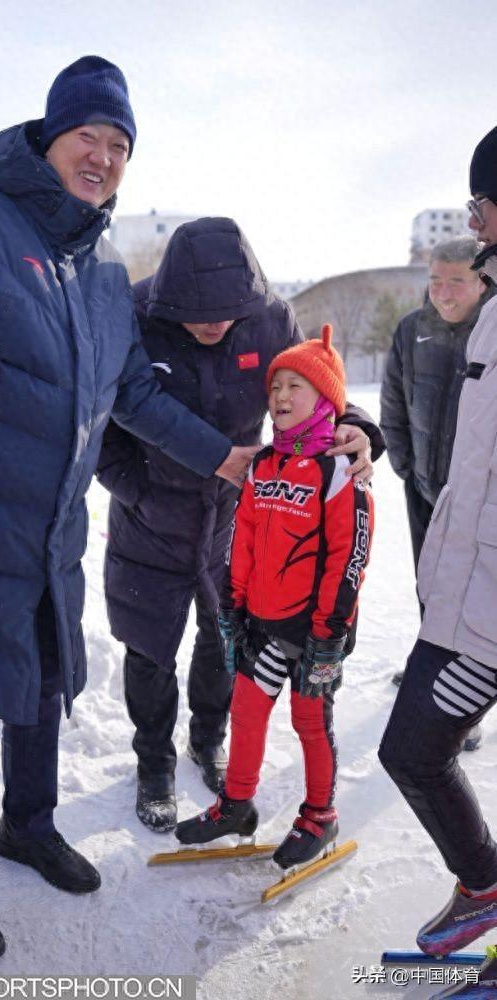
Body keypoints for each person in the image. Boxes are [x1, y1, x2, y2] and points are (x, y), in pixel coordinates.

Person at [0, 56, 257, 965]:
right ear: (49, 137)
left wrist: (224, 456)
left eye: (120, 146)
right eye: (89, 136)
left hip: (50, 533)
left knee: (42, 682)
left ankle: (28, 825)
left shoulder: (103, 270)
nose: (104, 158)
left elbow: (136, 397)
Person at [97, 217, 382, 832]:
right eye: (198, 316)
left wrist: (357, 425)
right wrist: (133, 486)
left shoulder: (270, 317)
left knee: (224, 637)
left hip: (238, 516)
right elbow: (108, 409)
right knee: (148, 645)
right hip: (151, 514)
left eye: (226, 315)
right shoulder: (135, 313)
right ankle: (153, 763)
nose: (213, 325)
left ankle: (208, 740)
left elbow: (316, 385)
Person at [175, 326, 374, 870]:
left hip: (315, 630)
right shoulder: (264, 464)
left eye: (295, 387)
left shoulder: (341, 468)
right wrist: (232, 604)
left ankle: (320, 816)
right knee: (246, 710)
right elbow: (243, 540)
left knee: (310, 722)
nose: (281, 397)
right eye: (275, 387)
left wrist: (330, 632)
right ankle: (237, 804)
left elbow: (350, 557)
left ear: (325, 397)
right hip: (261, 621)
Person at [378, 126, 497, 994]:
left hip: (487, 605)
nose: (474, 219)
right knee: (412, 748)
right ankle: (485, 886)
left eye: (480, 201)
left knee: (414, 748)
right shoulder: (490, 309)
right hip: (468, 589)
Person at [381, 236, 491, 743]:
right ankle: (430, 674)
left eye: (456, 282)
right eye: (435, 281)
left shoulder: (492, 330)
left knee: (474, 598)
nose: (443, 293)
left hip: (479, 498)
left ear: (482, 281)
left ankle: (463, 708)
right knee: (430, 586)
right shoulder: (412, 329)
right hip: (425, 488)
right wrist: (405, 465)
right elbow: (392, 402)